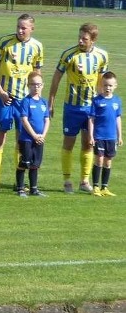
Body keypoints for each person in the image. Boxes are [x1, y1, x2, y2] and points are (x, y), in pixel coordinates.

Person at [48, 22, 109, 193]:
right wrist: (51, 102)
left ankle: (84, 181)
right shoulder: (69, 55)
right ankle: (67, 180)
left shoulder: (102, 56)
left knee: (88, 144)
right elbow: (56, 79)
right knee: (68, 143)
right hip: (72, 107)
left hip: (91, 108)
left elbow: (101, 82)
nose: (80, 41)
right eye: (79, 37)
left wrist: (101, 107)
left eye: (85, 39)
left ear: (93, 40)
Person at [0, 14, 44, 192]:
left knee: (22, 140)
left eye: (24, 28)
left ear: (31, 29)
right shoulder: (5, 42)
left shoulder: (37, 47)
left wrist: (34, 98)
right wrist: (1, 92)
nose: (20, 30)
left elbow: (37, 75)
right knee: (0, 137)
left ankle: (17, 182)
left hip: (23, 101)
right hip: (5, 98)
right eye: (18, 26)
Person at [88, 72, 122, 197]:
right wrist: (91, 136)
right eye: (105, 85)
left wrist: (120, 136)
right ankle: (95, 187)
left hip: (111, 137)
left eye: (110, 86)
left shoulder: (117, 101)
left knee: (108, 162)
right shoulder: (97, 101)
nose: (108, 88)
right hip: (99, 136)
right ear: (101, 85)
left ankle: (105, 187)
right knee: (99, 160)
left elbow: (118, 118)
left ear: (115, 86)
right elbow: (91, 119)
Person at [17, 71, 50, 197]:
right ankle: (20, 188)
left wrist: (43, 135)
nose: (36, 87)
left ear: (42, 85)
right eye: (33, 84)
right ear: (28, 85)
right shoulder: (26, 101)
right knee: (25, 162)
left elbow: (47, 120)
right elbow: (24, 120)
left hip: (40, 139)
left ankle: (34, 189)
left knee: (35, 164)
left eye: (38, 84)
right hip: (27, 139)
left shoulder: (43, 102)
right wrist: (34, 135)